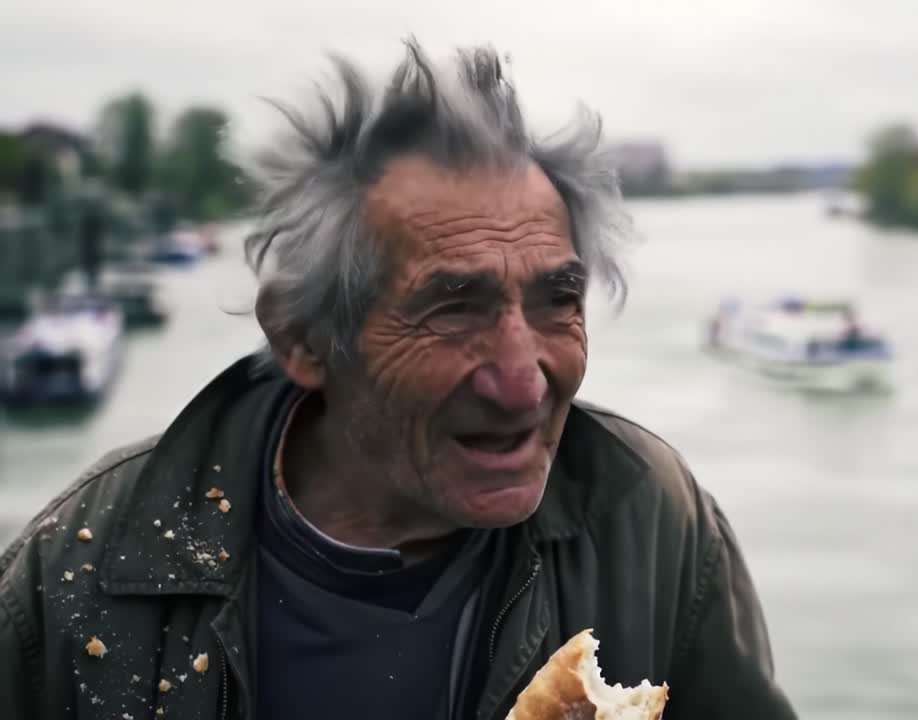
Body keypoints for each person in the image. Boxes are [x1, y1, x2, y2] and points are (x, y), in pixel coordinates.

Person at [0, 40, 798, 720]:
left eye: (559, 300)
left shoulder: (648, 518)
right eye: (454, 308)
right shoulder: (82, 569)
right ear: (304, 337)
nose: (525, 383)